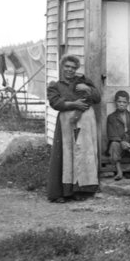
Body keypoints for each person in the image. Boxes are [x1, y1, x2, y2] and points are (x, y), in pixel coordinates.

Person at [46, 54, 101, 203]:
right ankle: (61, 193)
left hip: (85, 122)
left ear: (76, 69)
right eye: (67, 67)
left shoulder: (83, 81)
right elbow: (55, 103)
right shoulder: (55, 85)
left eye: (73, 67)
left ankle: (80, 190)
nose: (70, 70)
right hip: (66, 123)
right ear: (62, 67)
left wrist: (87, 89)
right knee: (66, 155)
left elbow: (97, 98)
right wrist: (73, 104)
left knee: (82, 154)